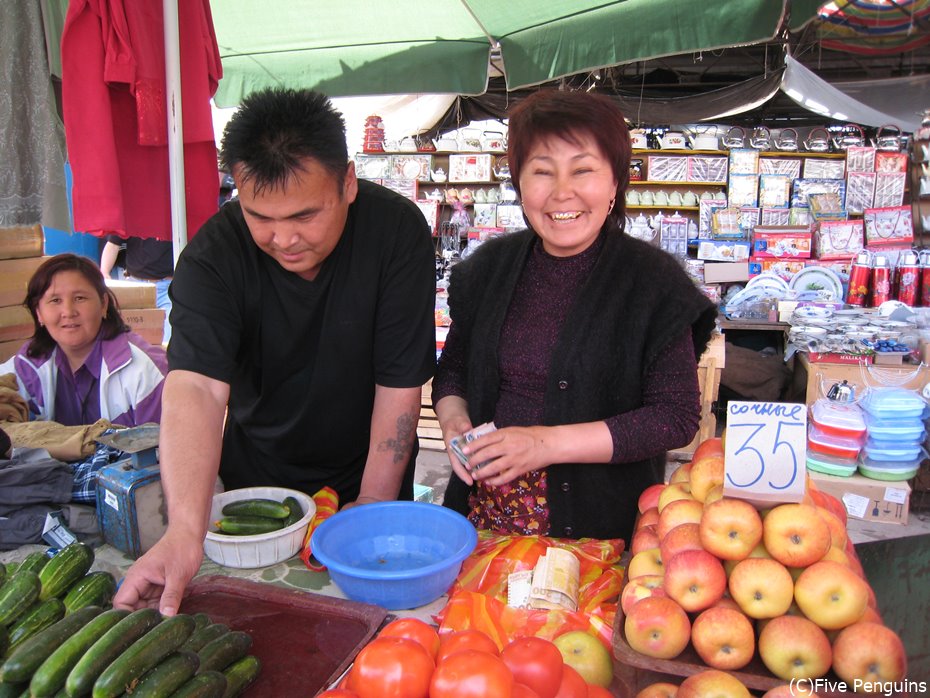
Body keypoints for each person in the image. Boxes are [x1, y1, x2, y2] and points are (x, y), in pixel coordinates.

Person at [114, 88, 436, 615]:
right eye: (260, 216)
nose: (283, 239)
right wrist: (184, 532)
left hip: (368, 473)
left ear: (348, 183)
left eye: (305, 216)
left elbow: (398, 382)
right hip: (257, 483)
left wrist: (373, 502)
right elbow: (195, 386)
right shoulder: (213, 257)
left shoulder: (395, 233)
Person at [432, 90, 718, 543]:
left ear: (615, 182)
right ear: (520, 183)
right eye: (542, 172)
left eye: (583, 170)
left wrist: (544, 444)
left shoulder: (652, 283)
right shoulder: (488, 270)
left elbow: (674, 417)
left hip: (600, 531)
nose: (561, 192)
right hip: (483, 518)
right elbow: (453, 374)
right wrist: (454, 424)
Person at [0, 253, 168, 427]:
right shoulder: (30, 364)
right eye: (55, 300)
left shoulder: (144, 369)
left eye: (79, 298)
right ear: (39, 313)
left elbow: (164, 445)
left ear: (103, 304)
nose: (68, 312)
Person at [100, 234, 175, 343]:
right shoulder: (132, 218)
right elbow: (113, 244)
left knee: (168, 334)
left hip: (167, 286)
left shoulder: (175, 217)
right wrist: (104, 273)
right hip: (135, 285)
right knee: (129, 332)